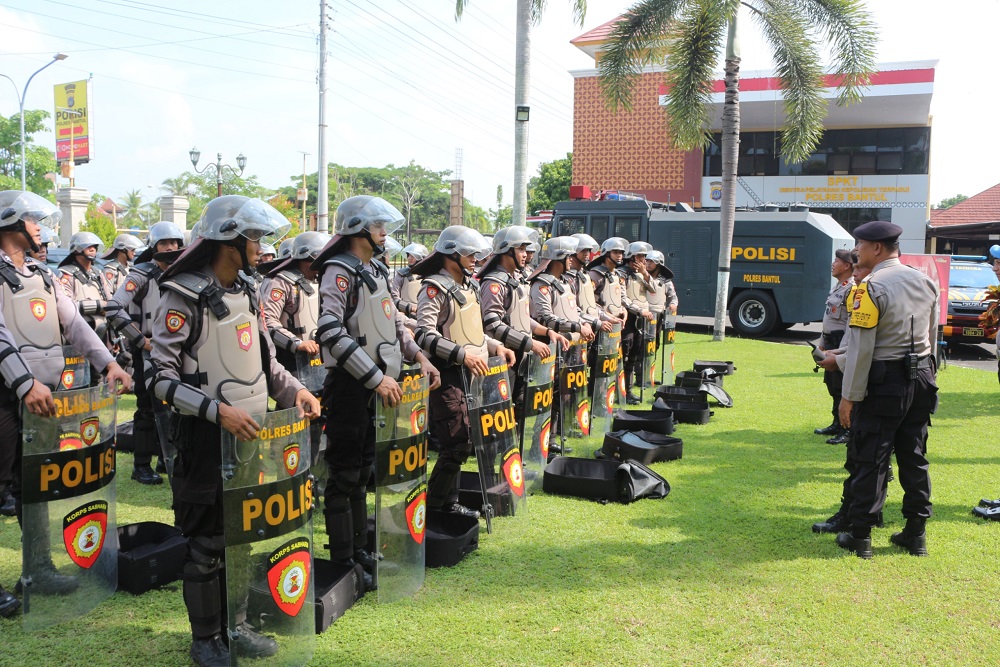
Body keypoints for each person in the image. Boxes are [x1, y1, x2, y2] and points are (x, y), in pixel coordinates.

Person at [146, 195, 320, 666]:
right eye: (255, 240)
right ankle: (205, 638)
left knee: (240, 535)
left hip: (251, 434)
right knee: (206, 544)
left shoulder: (247, 289)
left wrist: (294, 392)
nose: (262, 249)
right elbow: (159, 378)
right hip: (204, 438)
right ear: (230, 240)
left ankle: (236, 625)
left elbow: (267, 361)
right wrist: (215, 411)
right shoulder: (180, 294)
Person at [0, 190, 131, 609]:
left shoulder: (41, 273)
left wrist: (108, 362)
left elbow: (74, 324)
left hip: (46, 398)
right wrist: (23, 383)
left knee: (34, 485)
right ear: (11, 224)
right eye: (32, 220)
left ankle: (37, 569)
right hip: (7, 396)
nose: (39, 227)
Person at [311, 197, 439, 585]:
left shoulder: (377, 269)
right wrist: (374, 378)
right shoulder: (339, 270)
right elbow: (329, 329)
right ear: (357, 228)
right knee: (344, 475)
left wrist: (420, 356)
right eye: (378, 225)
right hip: (352, 387)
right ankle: (343, 558)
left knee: (364, 471)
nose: (385, 232)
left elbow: (394, 325)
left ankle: (360, 550)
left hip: (378, 386)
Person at [829, 220, 938, 559]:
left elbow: (862, 351)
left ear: (876, 248)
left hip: (884, 381)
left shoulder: (868, 288)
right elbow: (931, 339)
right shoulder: (924, 280)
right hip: (922, 378)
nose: (856, 251)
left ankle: (860, 536)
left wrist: (848, 398)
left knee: (870, 456)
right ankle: (915, 534)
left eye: (859, 245)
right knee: (914, 456)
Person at [410, 225, 515, 518]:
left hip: (473, 373)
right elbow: (423, 334)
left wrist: (495, 346)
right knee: (455, 442)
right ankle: (434, 508)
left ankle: (448, 503)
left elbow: (474, 332)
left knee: (464, 441)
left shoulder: (468, 286)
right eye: (468, 253)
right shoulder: (434, 287)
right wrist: (461, 355)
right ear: (450, 254)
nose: (474, 258)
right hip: (447, 373)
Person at [107, 221, 185, 485]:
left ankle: (167, 457)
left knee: (178, 405)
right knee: (147, 409)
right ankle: (141, 465)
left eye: (174, 243)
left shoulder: (183, 273)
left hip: (177, 351)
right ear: (154, 247)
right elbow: (113, 308)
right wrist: (141, 341)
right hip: (148, 354)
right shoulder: (140, 275)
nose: (170, 248)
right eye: (164, 243)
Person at [479, 227, 568, 432]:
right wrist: (530, 343)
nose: (526, 254)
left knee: (519, 407)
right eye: (520, 249)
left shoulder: (516, 279)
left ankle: (514, 459)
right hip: (501, 357)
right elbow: (493, 323)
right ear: (507, 250)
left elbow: (521, 318)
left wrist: (546, 332)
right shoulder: (494, 282)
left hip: (520, 354)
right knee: (497, 412)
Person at [260, 231, 330, 373]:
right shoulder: (281, 282)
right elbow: (267, 320)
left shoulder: (322, 281)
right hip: (292, 359)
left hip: (320, 355)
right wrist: (296, 343)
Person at [814, 249, 857, 445]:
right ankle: (836, 423)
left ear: (847, 265)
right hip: (831, 341)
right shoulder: (838, 286)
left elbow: (850, 321)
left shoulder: (852, 289)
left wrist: (843, 349)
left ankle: (847, 429)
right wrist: (822, 342)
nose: (833, 264)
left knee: (842, 386)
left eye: (836, 261)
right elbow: (829, 317)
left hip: (841, 342)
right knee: (832, 385)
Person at [57, 231, 117, 354]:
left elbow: (111, 303)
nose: (92, 249)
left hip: (104, 334)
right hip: (81, 334)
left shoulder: (98, 273)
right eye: (88, 246)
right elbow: (66, 307)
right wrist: (100, 305)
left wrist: (114, 336)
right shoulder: (66, 274)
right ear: (76, 249)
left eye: (94, 247)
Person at [391, 242, 429, 318]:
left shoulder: (429, 275)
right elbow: (394, 297)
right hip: (406, 315)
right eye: (408, 255)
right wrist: (409, 308)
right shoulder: (401, 275)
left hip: (426, 314)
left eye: (413, 256)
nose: (409, 258)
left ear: (420, 257)